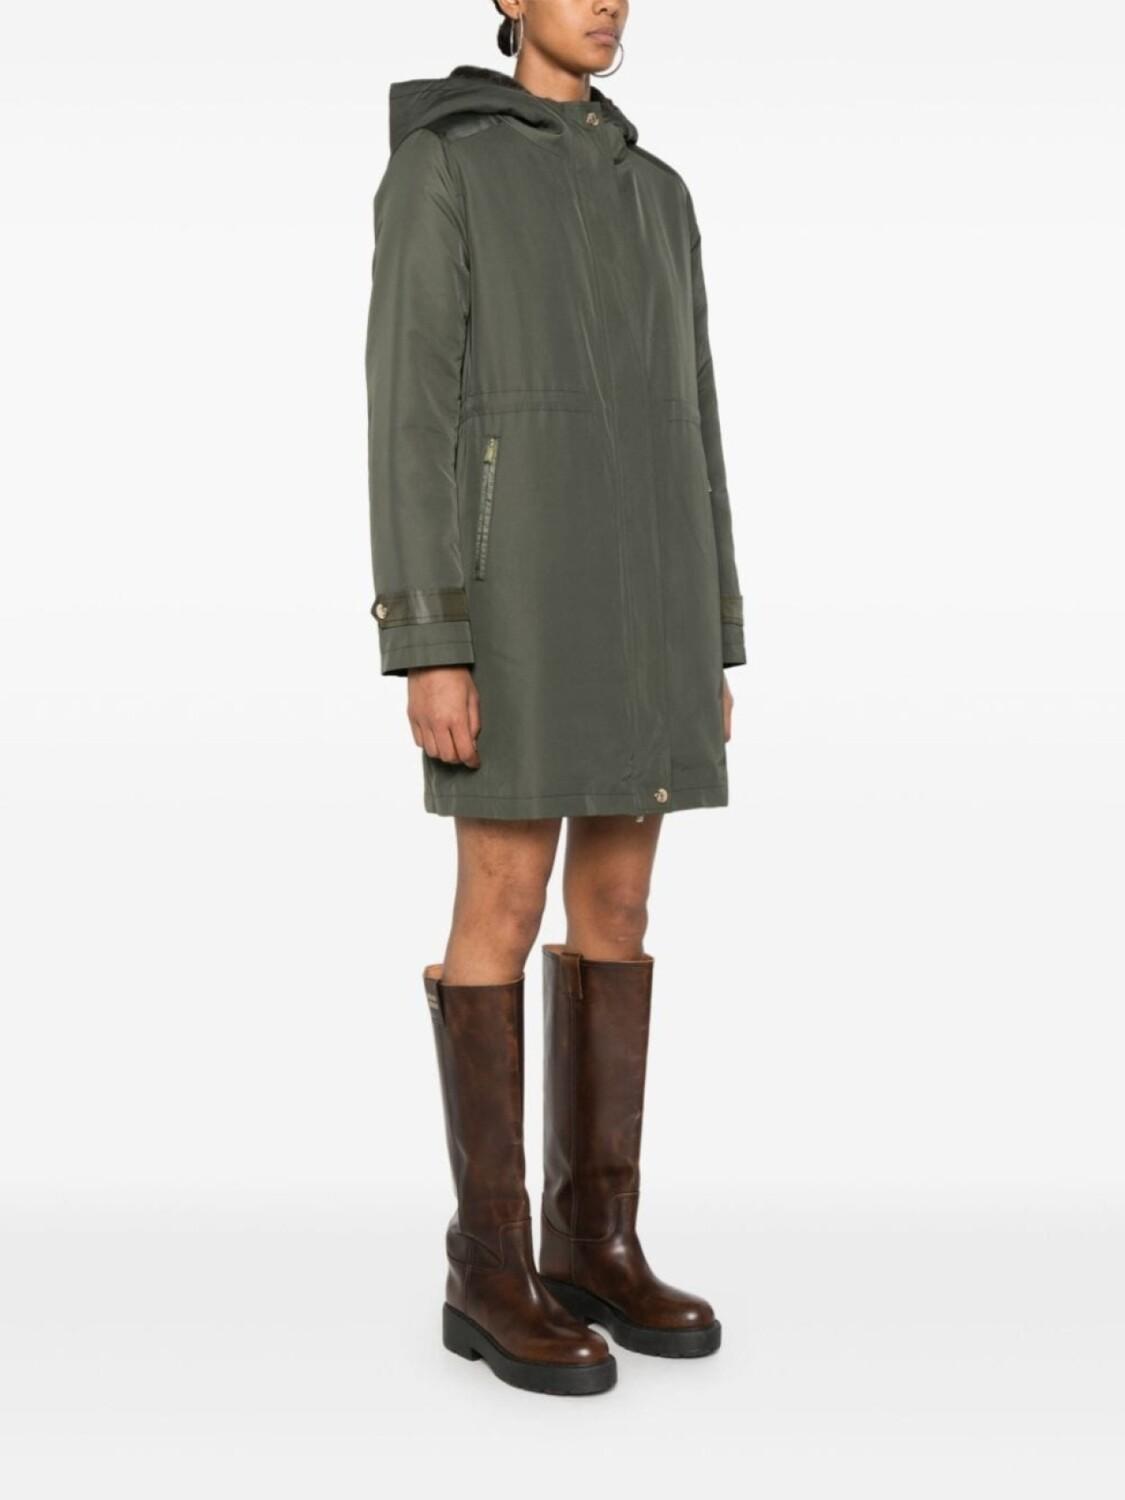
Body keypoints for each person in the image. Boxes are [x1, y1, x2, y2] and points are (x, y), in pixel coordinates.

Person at [364, 0, 747, 1395]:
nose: (608, 1)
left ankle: (594, 1239)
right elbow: (408, 408)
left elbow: (697, 415)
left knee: (620, 911)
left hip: (651, 603)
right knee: (503, 899)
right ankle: (489, 1266)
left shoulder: (660, 193)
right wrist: (431, 638)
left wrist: (712, 631)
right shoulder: (445, 164)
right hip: (514, 597)